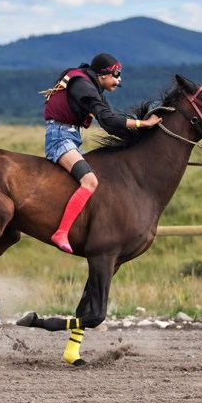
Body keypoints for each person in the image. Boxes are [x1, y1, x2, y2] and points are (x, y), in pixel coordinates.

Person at [40, 52, 161, 254]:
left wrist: (144, 135)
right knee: (90, 182)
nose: (119, 80)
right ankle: (61, 232)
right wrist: (143, 123)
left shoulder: (90, 87)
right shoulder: (83, 86)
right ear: (103, 75)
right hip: (60, 138)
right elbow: (110, 120)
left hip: (71, 137)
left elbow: (111, 123)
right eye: (116, 75)